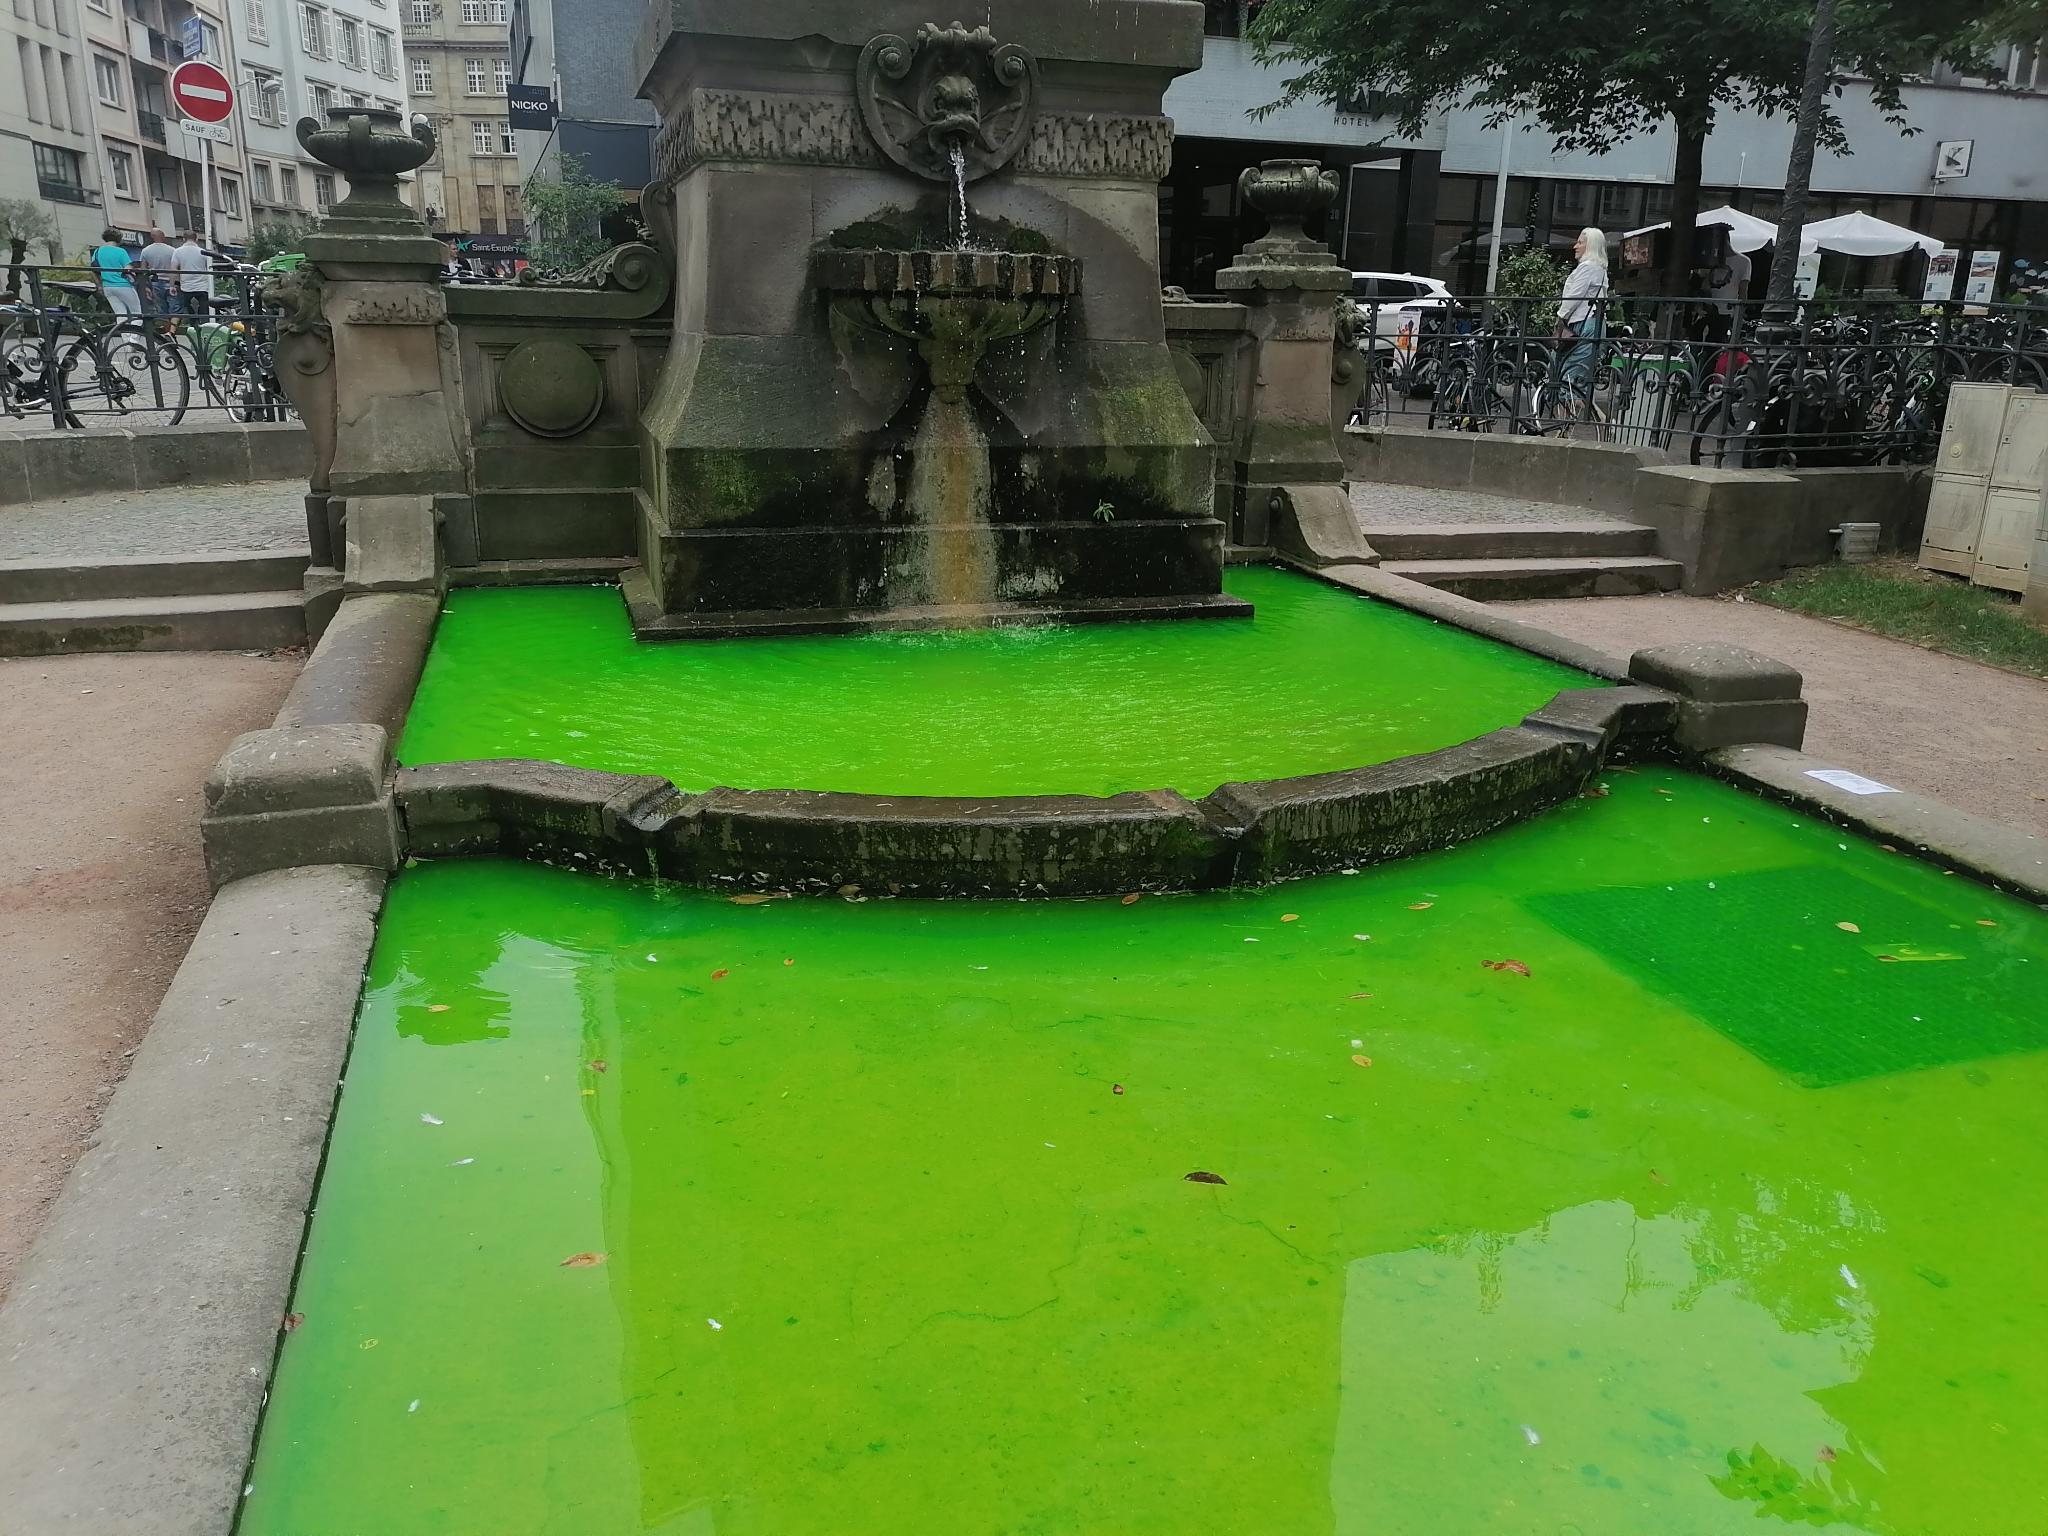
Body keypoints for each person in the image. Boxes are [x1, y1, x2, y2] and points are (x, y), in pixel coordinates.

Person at [1556, 226, 1610, 403]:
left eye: (1580, 242)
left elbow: (1574, 296)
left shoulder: (1588, 268)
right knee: (1574, 379)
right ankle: (1598, 421)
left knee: (1568, 378)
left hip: (1584, 325)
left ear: (1591, 246)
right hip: (1591, 324)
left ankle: (1568, 424)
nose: (1575, 246)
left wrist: (1561, 317)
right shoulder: (1599, 269)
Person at [89, 228, 141, 319]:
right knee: (136, 313)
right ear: (119, 239)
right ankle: (134, 333)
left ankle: (123, 333)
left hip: (107, 287)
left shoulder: (97, 252)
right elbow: (128, 270)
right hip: (124, 285)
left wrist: (99, 285)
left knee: (120, 313)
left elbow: (93, 269)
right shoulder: (121, 251)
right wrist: (135, 281)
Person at [170, 230, 214, 317]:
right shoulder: (203, 252)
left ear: (183, 239)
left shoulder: (177, 252)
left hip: (186, 287)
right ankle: (204, 324)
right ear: (196, 239)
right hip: (203, 286)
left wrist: (172, 285)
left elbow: (173, 269)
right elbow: (210, 267)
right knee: (204, 310)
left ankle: (193, 325)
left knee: (187, 309)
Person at [136, 228, 177, 314]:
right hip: (171, 282)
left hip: (155, 282)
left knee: (160, 308)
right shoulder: (173, 250)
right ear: (163, 237)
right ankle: (173, 326)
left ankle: (163, 325)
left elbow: (143, 269)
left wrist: (146, 286)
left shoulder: (145, 251)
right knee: (174, 308)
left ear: (152, 237)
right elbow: (176, 267)